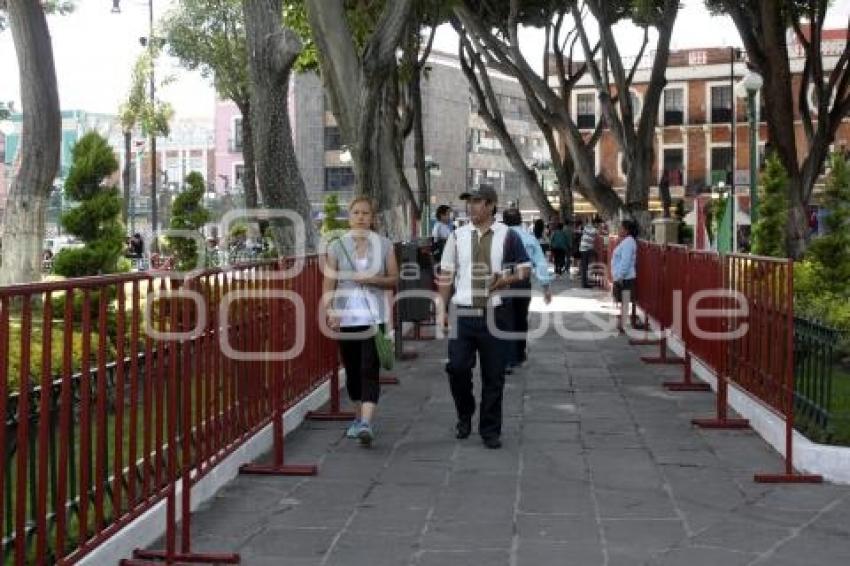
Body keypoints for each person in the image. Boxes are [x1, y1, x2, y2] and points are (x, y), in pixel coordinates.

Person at [438, 184, 530, 449]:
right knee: (456, 368)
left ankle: (490, 429)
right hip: (462, 312)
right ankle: (464, 414)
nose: (472, 207)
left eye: (477, 201)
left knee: (494, 375)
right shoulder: (457, 236)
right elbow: (446, 275)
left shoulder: (508, 236)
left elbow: (524, 270)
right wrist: (441, 308)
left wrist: (504, 281)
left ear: (490, 205)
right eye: (470, 202)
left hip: (495, 314)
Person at [322, 197, 399, 447]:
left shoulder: (385, 245)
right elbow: (328, 284)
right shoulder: (336, 246)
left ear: (372, 217)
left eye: (366, 212)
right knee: (353, 371)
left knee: (369, 369)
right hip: (346, 318)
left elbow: (393, 280)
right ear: (349, 216)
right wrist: (330, 310)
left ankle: (366, 422)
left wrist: (372, 279)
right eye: (356, 212)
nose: (361, 217)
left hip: (374, 318)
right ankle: (358, 419)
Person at [501, 208, 552, 372]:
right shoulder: (529, 238)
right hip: (522, 282)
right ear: (520, 220)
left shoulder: (499, 237)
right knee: (521, 318)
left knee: (504, 319)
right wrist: (546, 287)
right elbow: (541, 263)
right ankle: (519, 353)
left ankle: (507, 358)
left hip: (503, 282)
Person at [611, 219, 638, 330]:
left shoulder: (628, 242)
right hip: (622, 276)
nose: (619, 230)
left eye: (621, 228)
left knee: (624, 300)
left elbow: (625, 261)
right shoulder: (626, 241)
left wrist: (620, 276)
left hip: (625, 277)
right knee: (623, 300)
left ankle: (622, 323)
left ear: (626, 230)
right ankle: (621, 322)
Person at [579, 218, 599, 288]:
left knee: (584, 266)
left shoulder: (586, 227)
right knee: (586, 266)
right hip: (587, 249)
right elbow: (598, 234)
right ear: (596, 224)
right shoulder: (594, 229)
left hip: (583, 248)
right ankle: (585, 284)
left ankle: (584, 283)